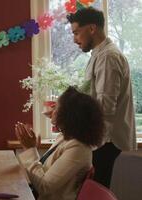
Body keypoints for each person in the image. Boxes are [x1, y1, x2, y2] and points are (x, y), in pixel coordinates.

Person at [67, 7, 136, 187]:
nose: (74, 39)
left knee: (94, 192)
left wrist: (72, 113)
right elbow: (93, 95)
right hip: (100, 138)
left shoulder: (108, 57)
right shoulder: (99, 55)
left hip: (106, 139)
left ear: (91, 28)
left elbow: (104, 106)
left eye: (76, 33)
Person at [16, 87, 104, 200]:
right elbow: (42, 173)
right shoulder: (64, 137)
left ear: (69, 115)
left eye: (56, 106)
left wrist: (29, 149)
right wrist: (32, 148)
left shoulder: (78, 149)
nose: (52, 110)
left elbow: (44, 187)